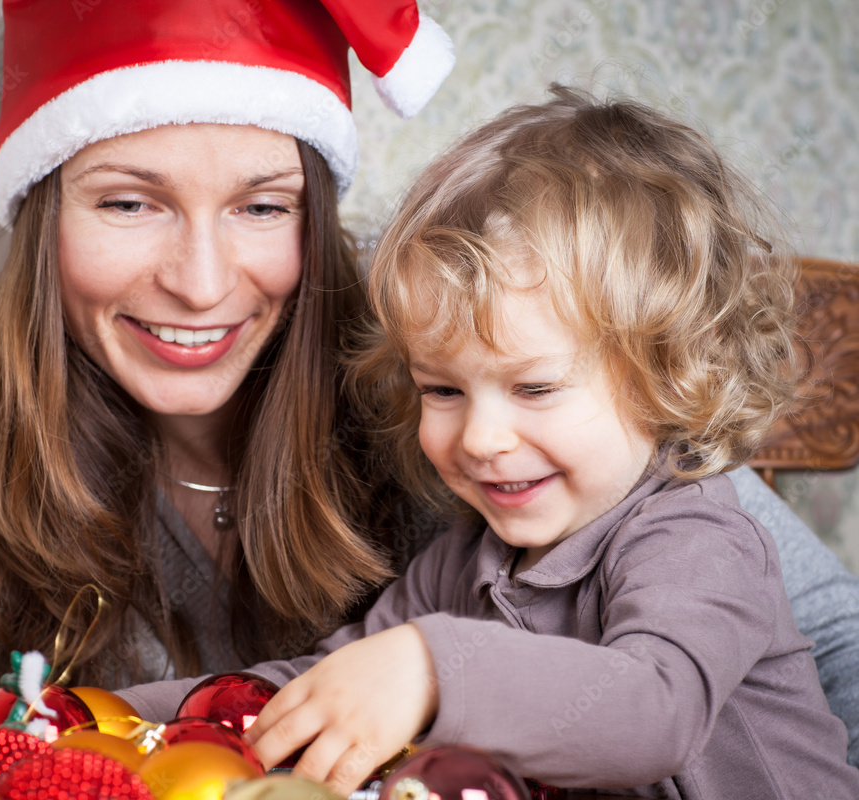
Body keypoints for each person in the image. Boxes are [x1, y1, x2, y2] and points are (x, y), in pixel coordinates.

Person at [0, 3, 857, 770]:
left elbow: (681, 693)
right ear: (42, 219)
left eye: (262, 203)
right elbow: (301, 685)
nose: (202, 282)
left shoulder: (662, 511)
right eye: (128, 200)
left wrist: (432, 669)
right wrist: (90, 721)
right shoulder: (465, 485)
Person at [118, 88, 859, 799]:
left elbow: (655, 710)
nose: (480, 438)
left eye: (534, 389)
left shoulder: (695, 539)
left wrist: (436, 668)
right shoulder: (468, 562)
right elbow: (325, 680)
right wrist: (110, 714)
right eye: (443, 390)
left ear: (668, 375)